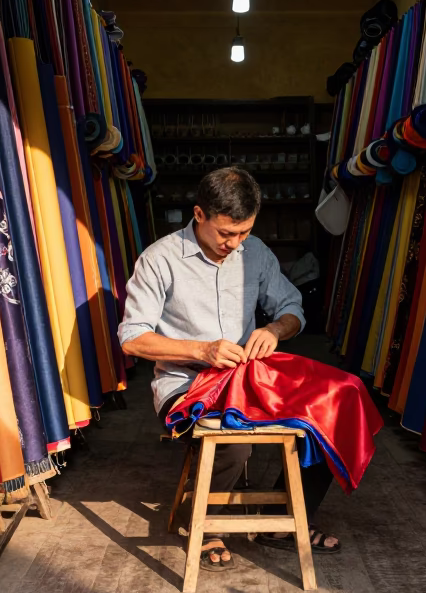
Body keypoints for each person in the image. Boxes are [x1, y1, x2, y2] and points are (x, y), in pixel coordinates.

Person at [118, 166, 341, 571]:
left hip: (246, 378)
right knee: (236, 440)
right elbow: (133, 337)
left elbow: (292, 308)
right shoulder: (160, 259)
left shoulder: (254, 252)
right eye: (226, 233)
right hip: (185, 384)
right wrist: (200, 350)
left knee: (336, 406)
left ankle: (280, 521)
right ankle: (209, 524)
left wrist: (275, 329)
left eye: (244, 232)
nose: (234, 243)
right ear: (199, 214)